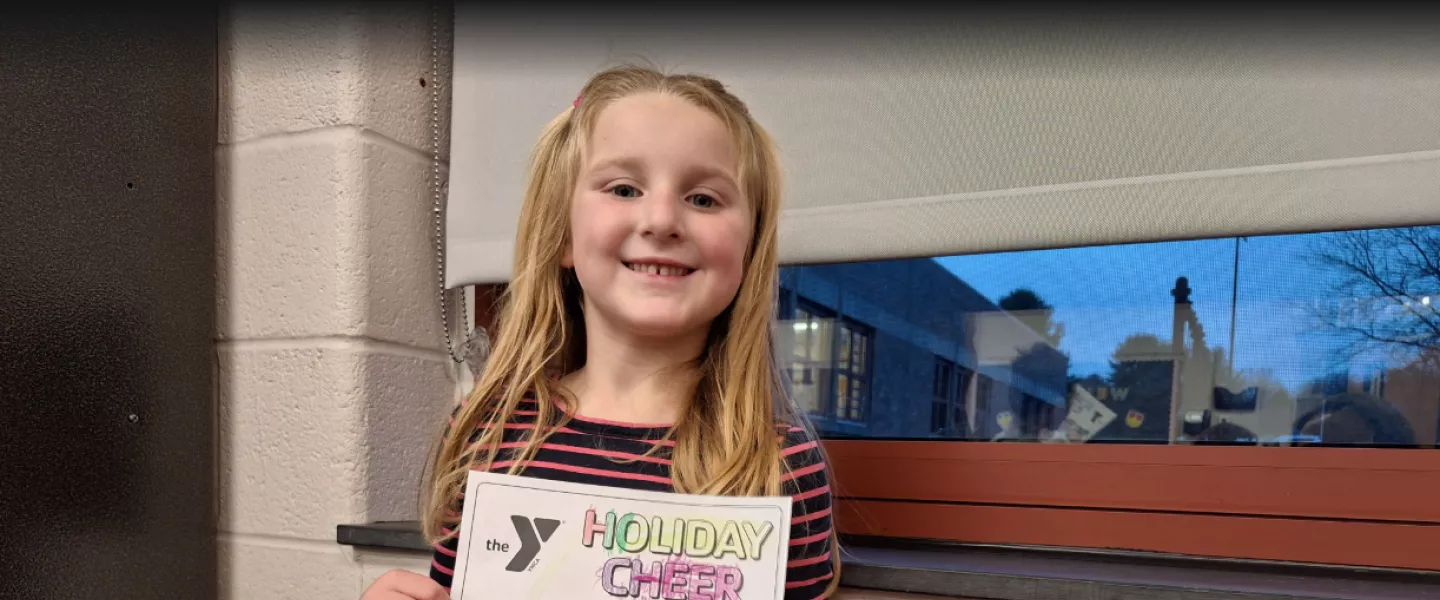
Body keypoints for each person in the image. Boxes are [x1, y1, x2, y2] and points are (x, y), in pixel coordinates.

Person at [361, 65, 839, 600]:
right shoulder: (487, 433)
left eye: (703, 199)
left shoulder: (779, 464)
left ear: (749, 253)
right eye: (624, 188)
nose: (661, 219)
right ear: (563, 235)